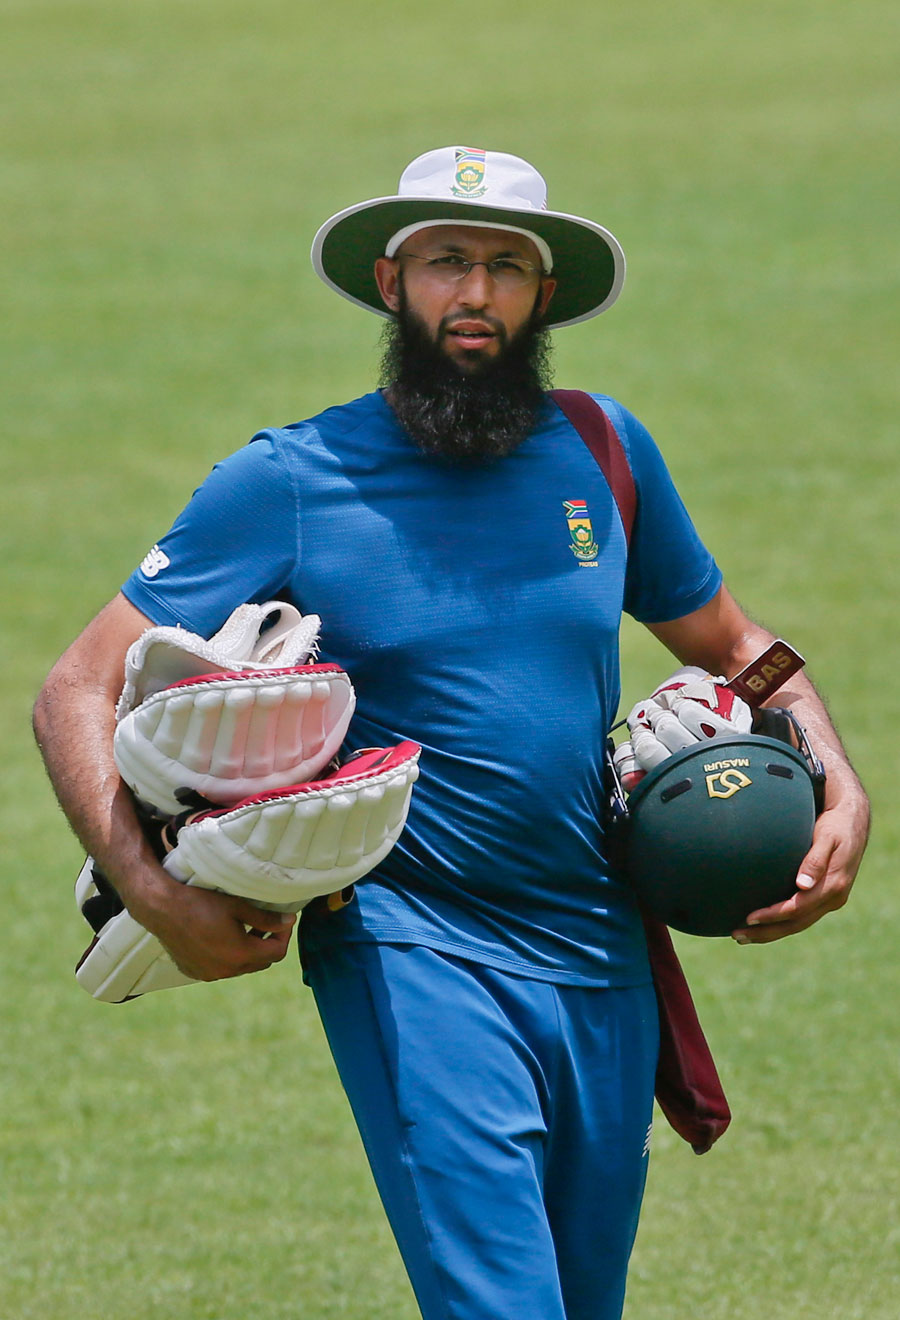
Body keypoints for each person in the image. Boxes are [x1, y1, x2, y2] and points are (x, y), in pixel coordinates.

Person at [33, 146, 870, 1320]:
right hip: (416, 954)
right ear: (391, 283)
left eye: (501, 267)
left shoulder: (605, 452)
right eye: (444, 264)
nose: (472, 294)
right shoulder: (292, 477)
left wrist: (835, 776)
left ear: (542, 294)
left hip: (602, 953)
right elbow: (74, 686)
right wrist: (150, 885)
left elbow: (739, 649)